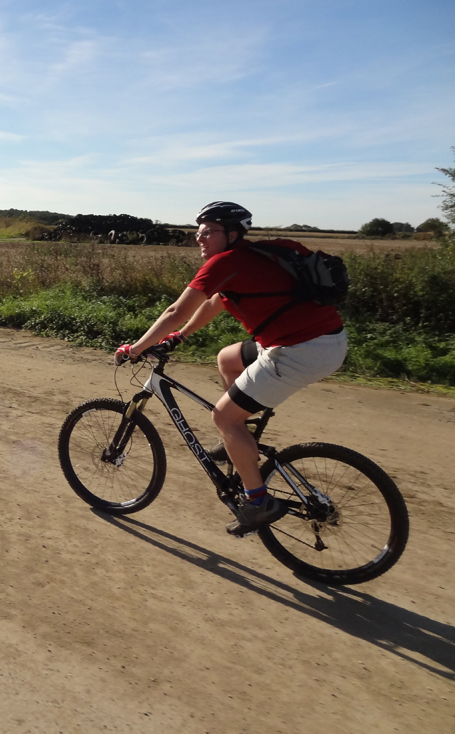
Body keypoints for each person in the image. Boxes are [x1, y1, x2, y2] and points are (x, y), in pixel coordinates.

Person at [113, 201, 347, 536]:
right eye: (199, 232)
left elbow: (176, 311)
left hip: (301, 351)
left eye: (209, 232)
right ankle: (239, 441)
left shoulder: (226, 262)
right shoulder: (263, 253)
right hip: (327, 340)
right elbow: (216, 301)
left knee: (224, 418)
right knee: (227, 358)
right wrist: (180, 336)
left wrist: (135, 348)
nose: (200, 238)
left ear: (232, 234)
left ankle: (258, 502)